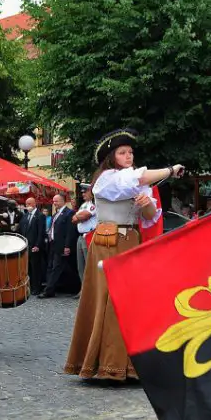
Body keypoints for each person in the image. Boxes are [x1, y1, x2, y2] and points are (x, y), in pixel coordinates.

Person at [64, 127, 183, 381]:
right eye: (122, 152)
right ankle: (107, 365)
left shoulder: (133, 182)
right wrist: (170, 170)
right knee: (108, 301)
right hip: (108, 243)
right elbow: (137, 179)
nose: (128, 156)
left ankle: (128, 366)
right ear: (111, 157)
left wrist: (147, 205)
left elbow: (150, 219)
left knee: (130, 302)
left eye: (130, 152)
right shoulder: (108, 179)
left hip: (130, 243)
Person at [38, 194, 77, 298]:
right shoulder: (55, 214)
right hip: (52, 244)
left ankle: (49, 290)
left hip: (62, 245)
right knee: (51, 266)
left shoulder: (69, 213)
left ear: (63, 201)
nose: (54, 203)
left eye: (57, 201)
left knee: (56, 267)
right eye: (53, 201)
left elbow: (70, 231)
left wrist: (67, 246)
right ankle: (56, 287)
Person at [71, 184, 97, 295]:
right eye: (82, 192)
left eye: (85, 192)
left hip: (89, 236)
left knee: (89, 265)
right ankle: (84, 290)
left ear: (92, 192)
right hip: (81, 236)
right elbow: (73, 219)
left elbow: (85, 216)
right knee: (80, 266)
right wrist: (78, 217)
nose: (83, 194)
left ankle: (91, 291)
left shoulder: (93, 205)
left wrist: (78, 217)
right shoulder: (83, 205)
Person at [20, 197, 46, 295]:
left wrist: (38, 245)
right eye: (26, 204)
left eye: (30, 203)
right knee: (28, 267)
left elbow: (41, 232)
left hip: (35, 246)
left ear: (35, 204)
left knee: (36, 268)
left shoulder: (40, 216)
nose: (28, 205)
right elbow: (22, 229)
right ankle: (29, 286)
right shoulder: (25, 216)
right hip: (26, 246)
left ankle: (37, 288)